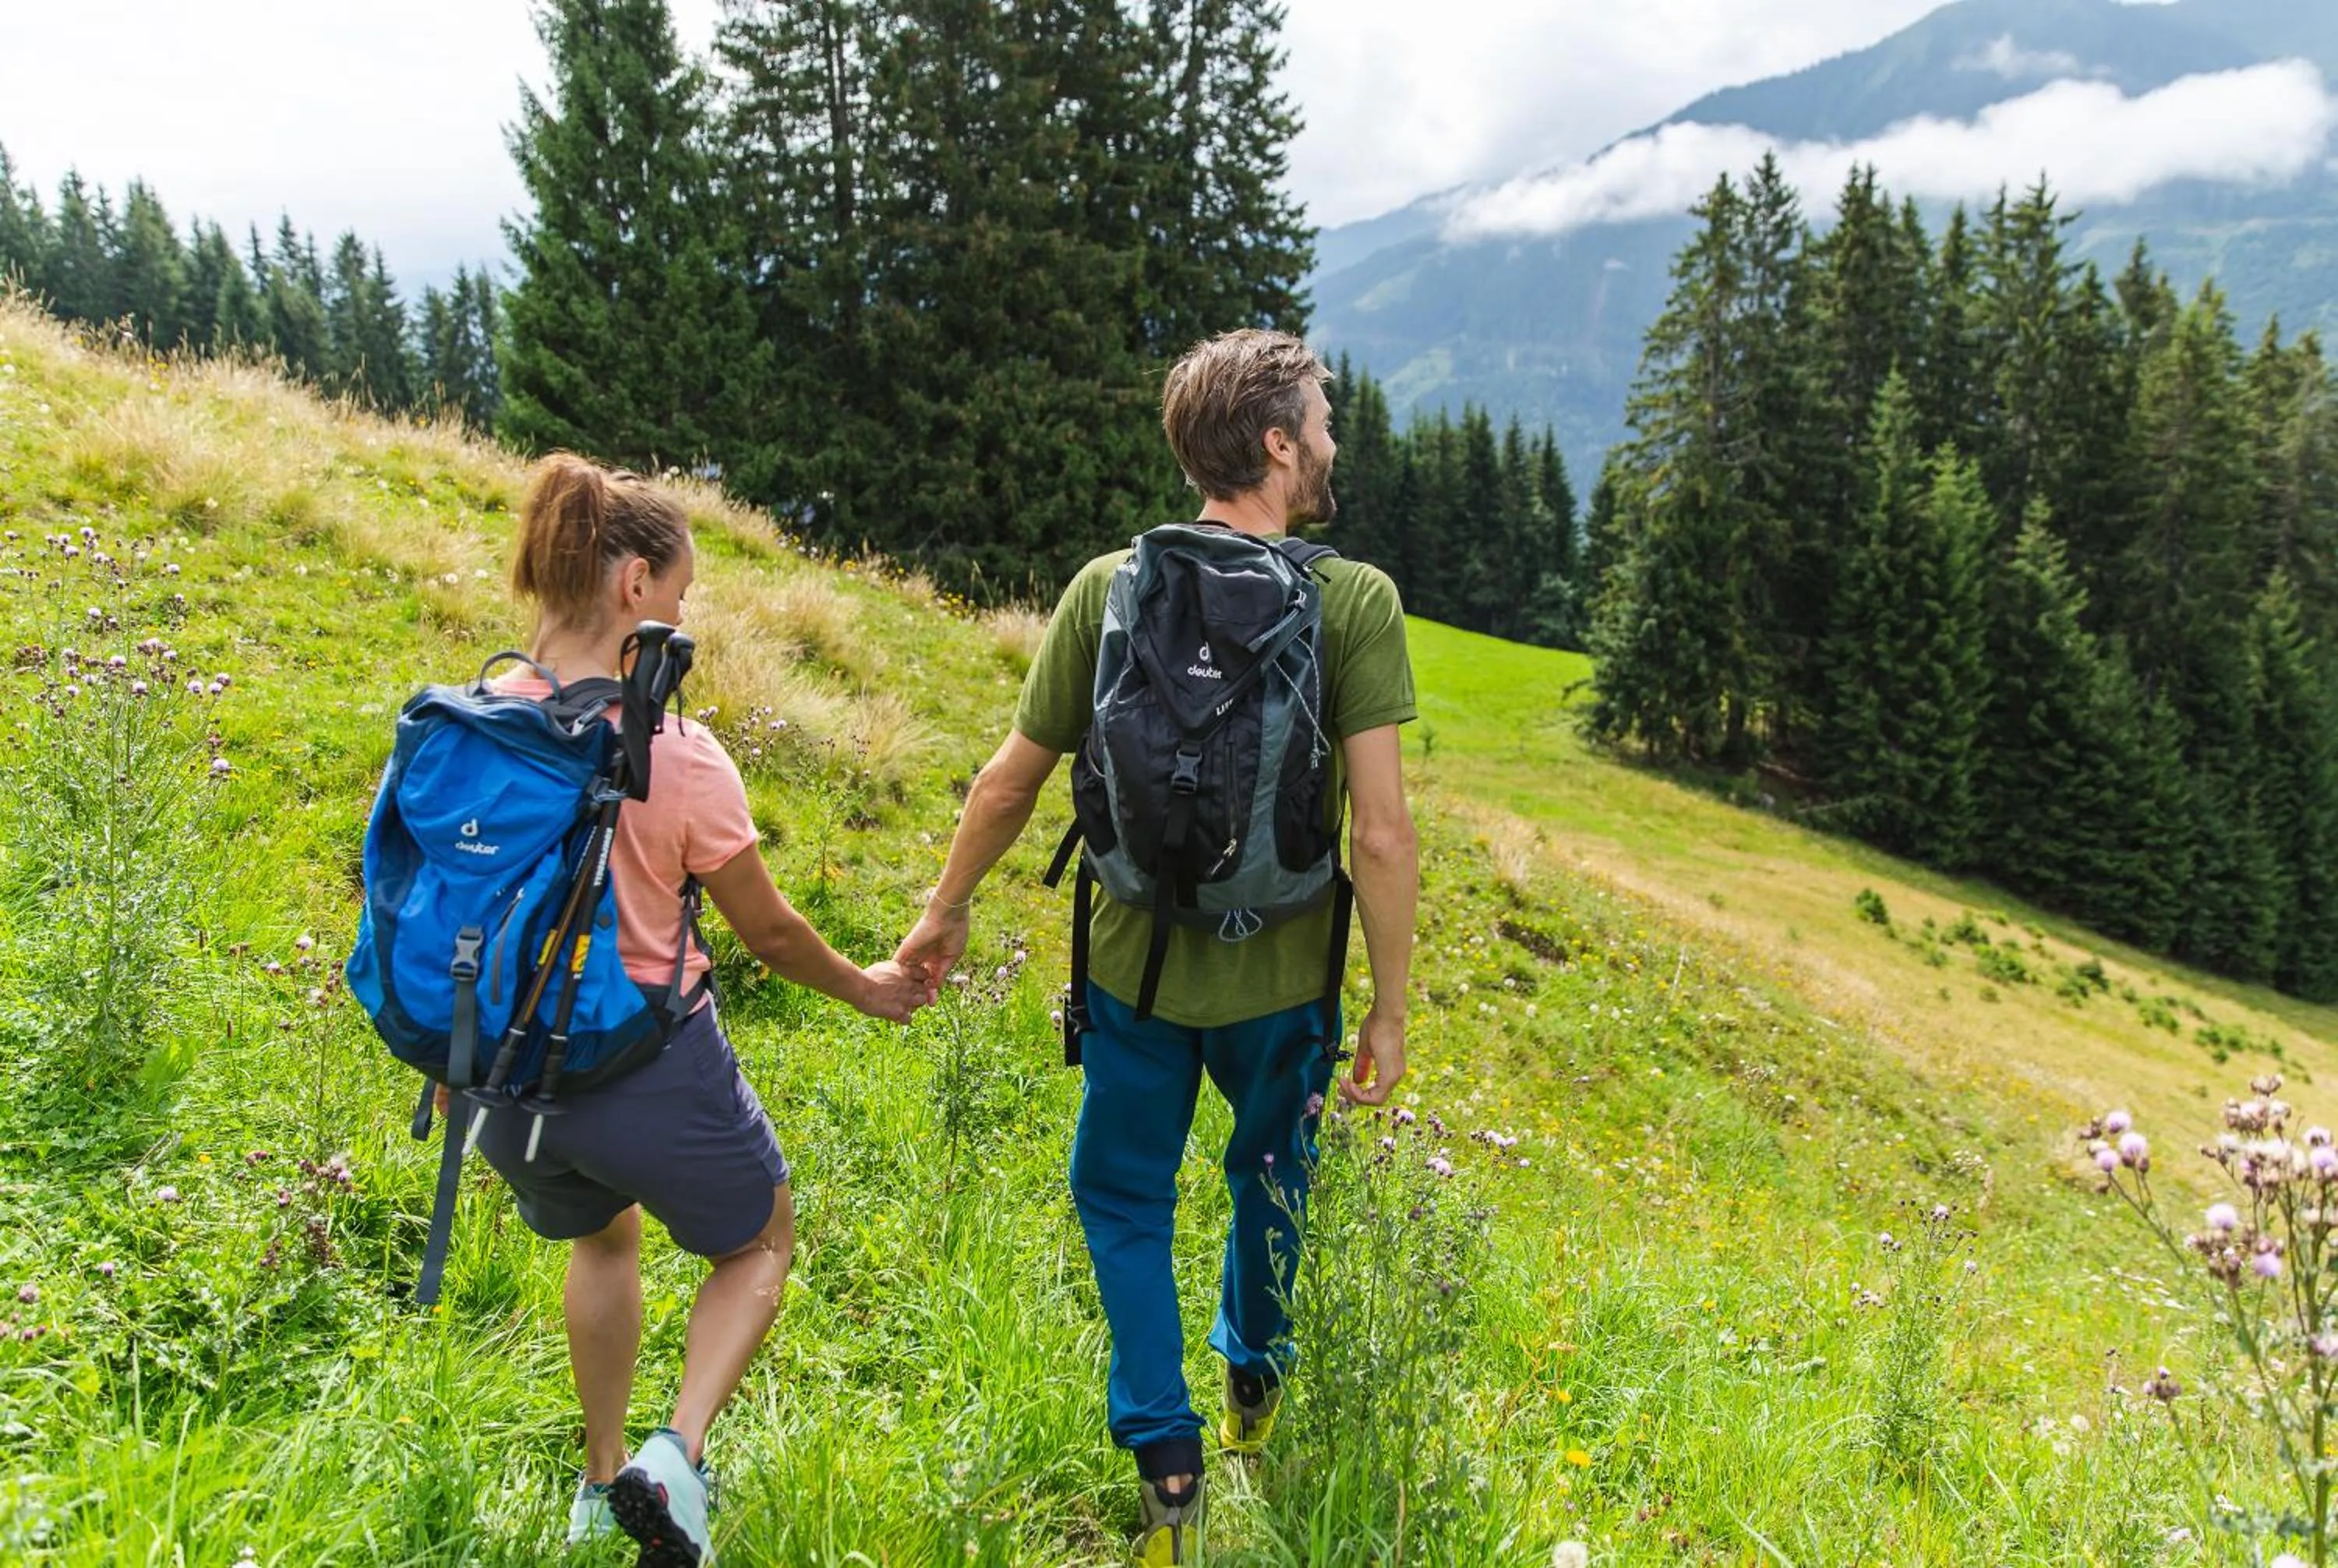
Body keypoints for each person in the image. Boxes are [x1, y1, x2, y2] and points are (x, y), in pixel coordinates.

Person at [893, 330, 1420, 1563]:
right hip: (1284, 977)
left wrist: (946, 905)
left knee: (1122, 1196)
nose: (1331, 442)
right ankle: (1254, 1382)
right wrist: (1390, 1007)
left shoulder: (1110, 587)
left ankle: (1166, 1462)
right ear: (1279, 445)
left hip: (1132, 970)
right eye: (1320, 422)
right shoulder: (1351, 602)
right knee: (1273, 1180)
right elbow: (1384, 836)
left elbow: (1011, 780)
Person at [475, 454, 934, 1566]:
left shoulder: (476, 722)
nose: (684, 615)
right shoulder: (677, 757)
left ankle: (596, 1488)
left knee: (601, 1235)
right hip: (644, 1067)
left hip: (499, 1076)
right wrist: (870, 989)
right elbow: (770, 934)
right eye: (679, 591)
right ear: (633, 584)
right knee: (761, 1241)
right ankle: (671, 1460)